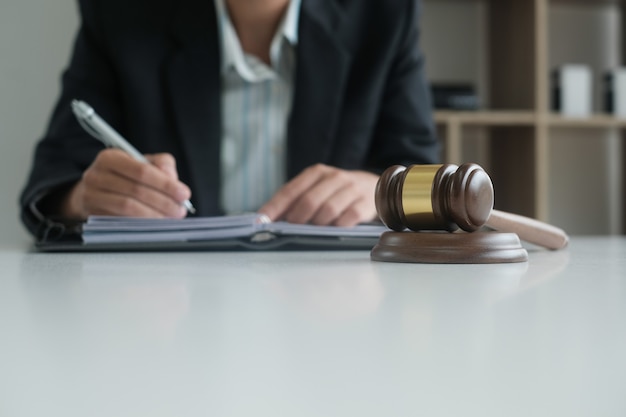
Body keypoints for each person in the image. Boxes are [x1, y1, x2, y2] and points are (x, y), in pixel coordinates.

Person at [19, 0, 439, 240]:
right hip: (167, 309)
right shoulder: (121, 15)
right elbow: (52, 184)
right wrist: (83, 200)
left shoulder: (384, 15)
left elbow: (428, 180)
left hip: (332, 308)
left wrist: (379, 192)